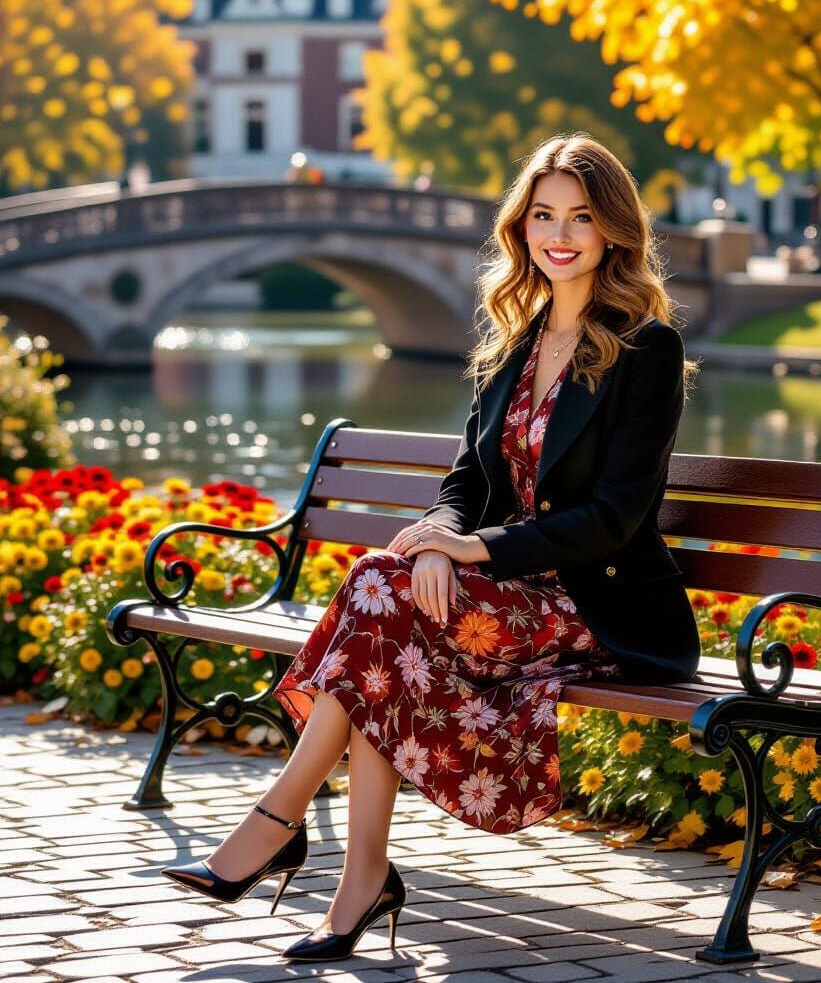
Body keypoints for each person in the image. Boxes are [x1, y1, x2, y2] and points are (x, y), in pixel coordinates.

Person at [161, 132, 703, 963]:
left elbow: (615, 518)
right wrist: (443, 543)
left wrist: (471, 551)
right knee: (388, 611)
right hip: (507, 593)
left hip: (595, 606)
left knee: (381, 599)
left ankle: (284, 826)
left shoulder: (644, 347)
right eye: (543, 215)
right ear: (520, 226)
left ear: (614, 230)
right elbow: (465, 480)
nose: (559, 234)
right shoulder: (514, 341)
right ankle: (355, 876)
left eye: (581, 217)